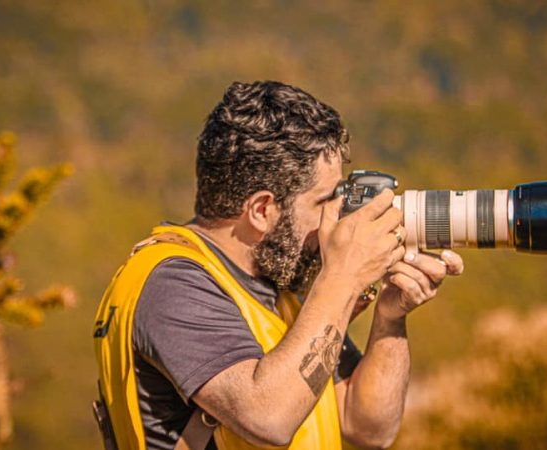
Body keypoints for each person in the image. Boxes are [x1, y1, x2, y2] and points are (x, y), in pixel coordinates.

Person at [92, 80, 464, 450]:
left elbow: (368, 427)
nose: (336, 218)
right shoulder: (171, 286)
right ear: (262, 210)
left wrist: (389, 316)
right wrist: (343, 277)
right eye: (325, 201)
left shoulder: (280, 286)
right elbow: (269, 418)